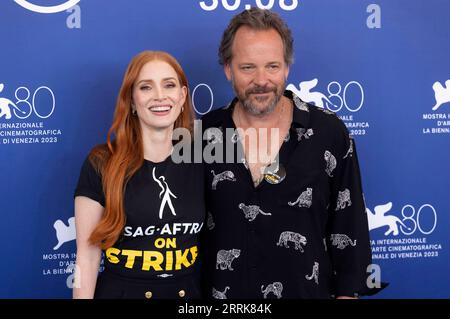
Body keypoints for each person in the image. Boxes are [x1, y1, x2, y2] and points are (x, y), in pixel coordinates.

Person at [201, 8, 383, 299]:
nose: (262, 80)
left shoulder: (329, 133)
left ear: (286, 67)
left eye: (272, 66)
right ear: (228, 69)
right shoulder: (202, 135)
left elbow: (351, 232)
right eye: (248, 67)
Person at [73, 51, 205, 299]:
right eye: (146, 87)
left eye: (169, 85)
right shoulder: (101, 163)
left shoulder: (203, 160)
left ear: (182, 96)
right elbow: (87, 257)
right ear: (132, 100)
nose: (160, 96)